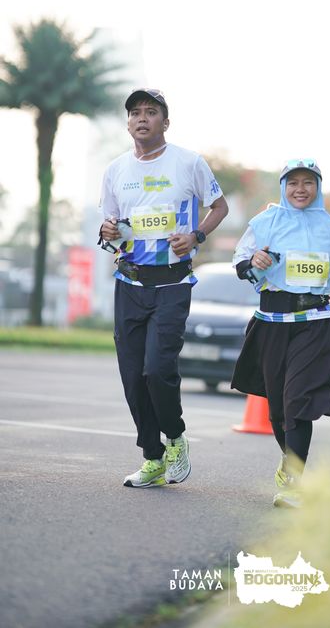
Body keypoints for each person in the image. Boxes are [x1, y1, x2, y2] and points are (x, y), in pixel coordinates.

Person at [99, 88, 228, 488]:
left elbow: (219, 206)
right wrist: (107, 231)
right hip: (130, 282)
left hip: (172, 282)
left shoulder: (188, 163)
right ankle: (152, 458)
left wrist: (196, 236)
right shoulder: (115, 170)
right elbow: (111, 227)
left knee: (157, 370)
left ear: (165, 122)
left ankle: (175, 438)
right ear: (128, 123)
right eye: (135, 112)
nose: (142, 118)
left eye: (151, 112)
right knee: (132, 377)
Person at [231, 158, 330, 508]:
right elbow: (240, 262)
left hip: (315, 320)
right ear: (283, 187)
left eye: (308, 182)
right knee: (278, 409)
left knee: (298, 400)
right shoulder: (265, 222)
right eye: (293, 183)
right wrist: (253, 262)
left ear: (318, 187)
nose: (301, 189)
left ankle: (294, 482)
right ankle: (291, 460)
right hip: (272, 321)